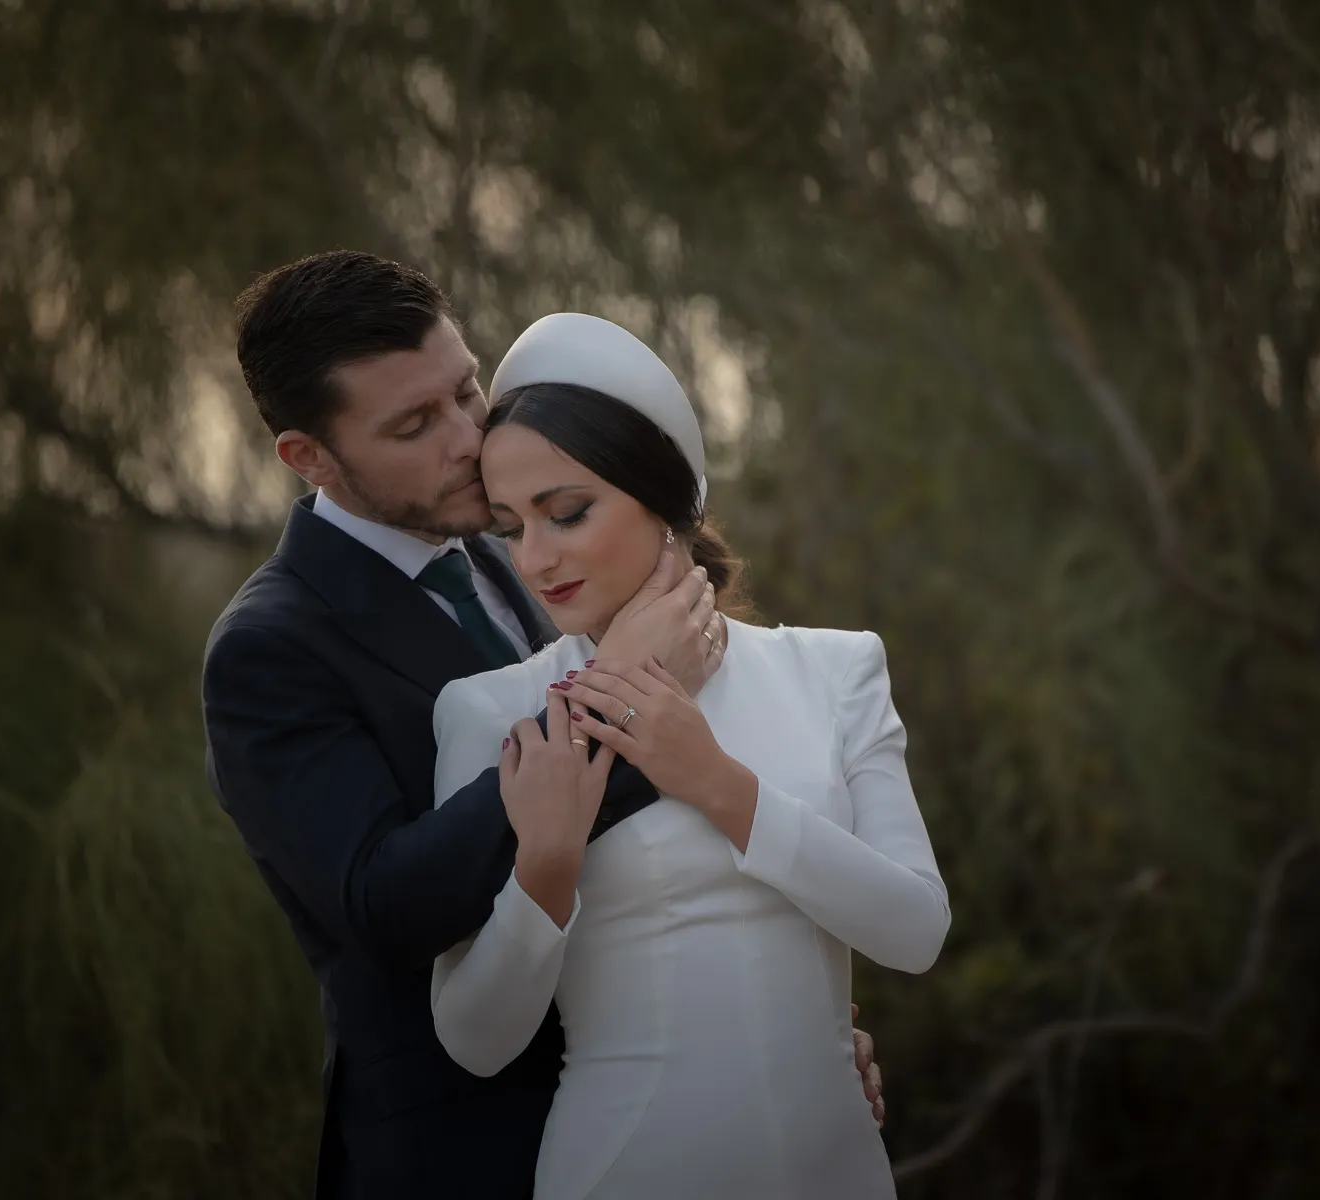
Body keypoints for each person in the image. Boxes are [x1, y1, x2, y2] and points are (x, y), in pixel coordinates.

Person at [200, 252, 886, 1200]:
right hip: (462, 1155)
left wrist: (778, 1027)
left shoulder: (519, 551)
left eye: (467, 391)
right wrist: (624, 694)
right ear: (308, 456)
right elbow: (380, 906)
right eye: (413, 424)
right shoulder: (270, 648)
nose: (466, 437)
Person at [429, 313, 949, 1200]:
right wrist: (548, 864)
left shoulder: (836, 669)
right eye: (512, 526)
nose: (536, 558)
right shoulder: (495, 710)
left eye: (568, 512)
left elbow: (915, 931)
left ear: (665, 497)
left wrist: (714, 781)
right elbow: (475, 1039)